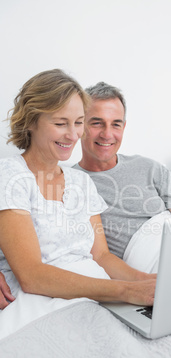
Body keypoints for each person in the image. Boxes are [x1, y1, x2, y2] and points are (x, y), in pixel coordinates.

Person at [0, 69, 156, 311]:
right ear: (31, 121)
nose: (73, 135)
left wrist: (148, 282)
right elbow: (31, 276)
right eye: (60, 123)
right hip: (43, 302)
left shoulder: (80, 182)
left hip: (97, 296)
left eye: (79, 122)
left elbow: (102, 256)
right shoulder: (11, 176)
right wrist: (126, 291)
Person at [73, 82, 171, 260]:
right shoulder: (71, 182)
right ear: (79, 125)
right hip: (146, 266)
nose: (107, 134)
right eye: (97, 123)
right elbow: (98, 255)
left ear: (124, 127)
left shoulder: (149, 168)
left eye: (116, 124)